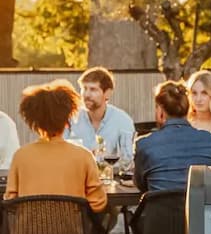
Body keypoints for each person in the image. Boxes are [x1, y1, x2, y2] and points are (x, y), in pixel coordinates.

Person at [4, 79, 107, 213]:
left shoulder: (21, 156)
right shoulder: (83, 156)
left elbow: (10, 201)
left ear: (33, 121)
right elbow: (98, 204)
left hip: (29, 232)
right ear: (67, 119)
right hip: (72, 232)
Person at [134, 80, 211, 192]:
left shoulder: (145, 145)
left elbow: (141, 185)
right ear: (187, 109)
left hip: (161, 209)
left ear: (160, 111)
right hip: (200, 208)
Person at [66, 66, 135, 163]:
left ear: (108, 93)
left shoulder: (123, 121)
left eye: (93, 89)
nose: (86, 94)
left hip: (111, 177)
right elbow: (61, 155)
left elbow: (127, 162)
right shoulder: (70, 119)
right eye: (84, 88)